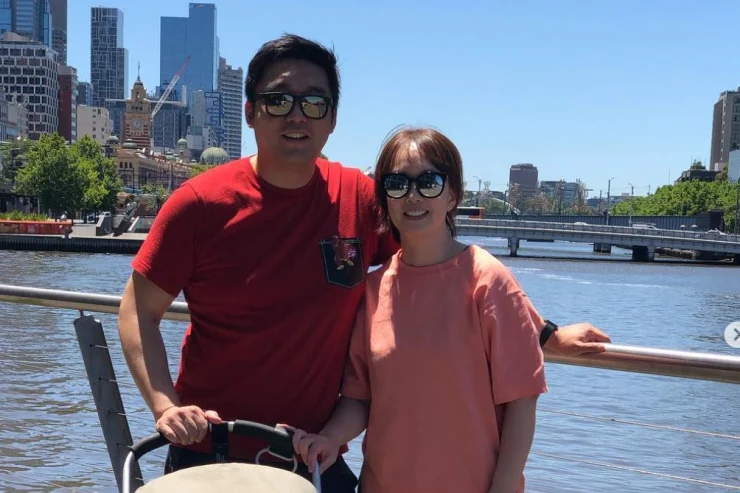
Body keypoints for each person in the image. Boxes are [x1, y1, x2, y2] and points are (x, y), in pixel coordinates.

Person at [117, 34, 610, 493]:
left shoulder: (361, 197)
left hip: (313, 454)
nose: (297, 115)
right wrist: (165, 406)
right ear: (250, 111)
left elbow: (447, 263)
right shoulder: (200, 204)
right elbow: (138, 311)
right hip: (212, 450)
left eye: (314, 102)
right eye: (278, 100)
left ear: (332, 119)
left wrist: (546, 334)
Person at [287, 127, 550, 493]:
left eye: (429, 182)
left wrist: (504, 486)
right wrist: (329, 439)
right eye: (397, 184)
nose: (412, 196)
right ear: (385, 197)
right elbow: (360, 398)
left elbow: (522, 399)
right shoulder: (374, 288)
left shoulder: (487, 280)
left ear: (452, 195)